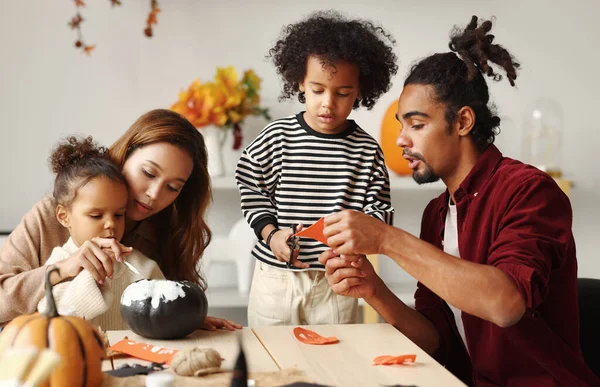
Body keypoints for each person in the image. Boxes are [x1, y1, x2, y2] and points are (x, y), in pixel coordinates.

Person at [319, 15, 599, 386]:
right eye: (401, 125)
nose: (401, 139)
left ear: (463, 121)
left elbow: (506, 303)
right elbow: (437, 341)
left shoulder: (529, 191)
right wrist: (374, 290)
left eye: (416, 125)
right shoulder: (436, 214)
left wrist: (386, 239)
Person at [0, 109, 241, 331]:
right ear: (125, 155)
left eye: (172, 187)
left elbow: (155, 304)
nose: (154, 194)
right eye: (148, 173)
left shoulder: (165, 230)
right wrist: (63, 268)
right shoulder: (51, 215)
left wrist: (183, 318)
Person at [235, 10, 397, 327]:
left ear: (360, 91)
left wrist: (354, 245)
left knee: (337, 360)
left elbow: (380, 212)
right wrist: (271, 234)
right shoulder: (276, 137)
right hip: (276, 279)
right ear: (300, 82)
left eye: (342, 93)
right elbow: (250, 186)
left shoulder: (367, 150)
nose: (327, 103)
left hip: (338, 283)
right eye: (318, 89)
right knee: (273, 361)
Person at [37, 136, 165, 330]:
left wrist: (192, 319)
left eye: (118, 215)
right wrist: (92, 276)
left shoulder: (142, 266)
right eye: (96, 216)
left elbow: (167, 311)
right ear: (64, 216)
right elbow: (51, 322)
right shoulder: (59, 263)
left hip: (133, 358)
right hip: (80, 358)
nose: (110, 224)